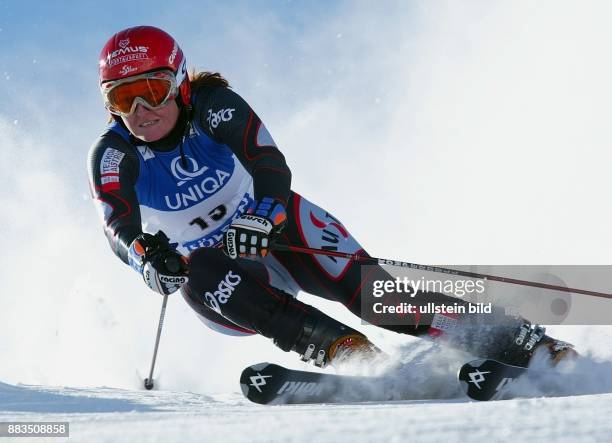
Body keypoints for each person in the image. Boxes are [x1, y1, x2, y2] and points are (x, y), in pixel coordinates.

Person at [88, 26, 575, 371]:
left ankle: (525, 344)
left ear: (179, 83)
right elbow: (117, 226)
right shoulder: (113, 153)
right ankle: (345, 351)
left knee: (377, 298)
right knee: (199, 272)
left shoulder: (213, 106)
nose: (141, 110)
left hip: (275, 230)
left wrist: (266, 215)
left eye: (152, 89)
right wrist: (147, 258)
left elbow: (269, 164)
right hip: (230, 281)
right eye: (122, 98)